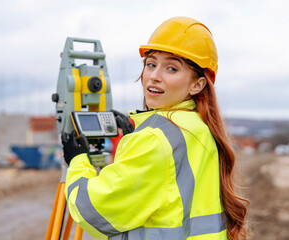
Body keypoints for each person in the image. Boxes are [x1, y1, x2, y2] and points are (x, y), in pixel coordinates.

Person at [62, 16, 249, 240]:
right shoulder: (201, 127)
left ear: (197, 84)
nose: (154, 76)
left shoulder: (155, 140)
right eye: (151, 64)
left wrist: (78, 160)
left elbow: (94, 210)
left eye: (171, 68)